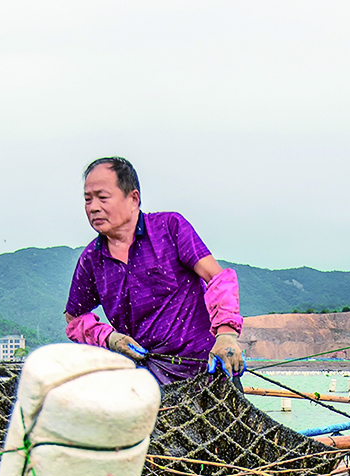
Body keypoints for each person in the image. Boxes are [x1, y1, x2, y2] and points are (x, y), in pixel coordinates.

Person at [63, 157, 244, 384]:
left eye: (103, 197)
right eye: (87, 200)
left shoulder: (170, 228)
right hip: (148, 382)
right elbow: (74, 318)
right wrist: (110, 338)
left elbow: (217, 279)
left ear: (133, 198)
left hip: (207, 370)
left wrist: (226, 334)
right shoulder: (91, 259)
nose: (93, 207)